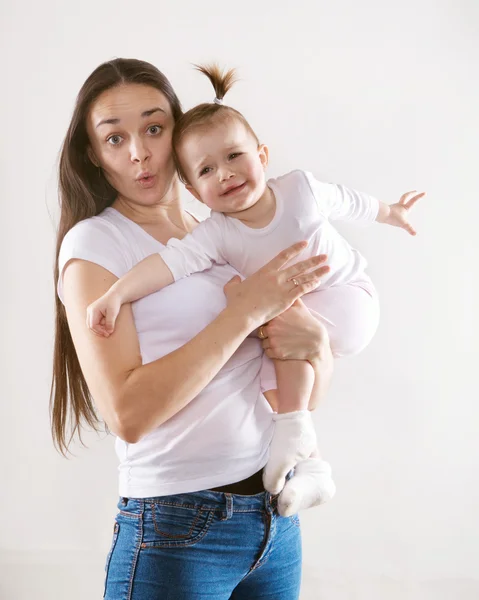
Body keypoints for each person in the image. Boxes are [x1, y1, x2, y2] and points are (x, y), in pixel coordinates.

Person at [50, 58, 335, 600]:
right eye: (115, 139)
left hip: (274, 517)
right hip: (177, 531)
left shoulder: (218, 235)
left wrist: (319, 349)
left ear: (179, 132)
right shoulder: (96, 246)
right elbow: (127, 416)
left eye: (154, 129)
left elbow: (293, 397)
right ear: (93, 155)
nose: (139, 152)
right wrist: (245, 312)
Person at [86, 64, 424, 504]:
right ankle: (312, 466)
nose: (224, 174)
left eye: (233, 157)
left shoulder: (299, 190)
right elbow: (168, 265)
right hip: (223, 492)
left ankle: (300, 449)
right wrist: (116, 294)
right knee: (268, 363)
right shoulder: (214, 234)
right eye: (206, 170)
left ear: (262, 156)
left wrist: (390, 212)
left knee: (263, 322)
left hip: (350, 296)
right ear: (192, 186)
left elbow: (348, 200)